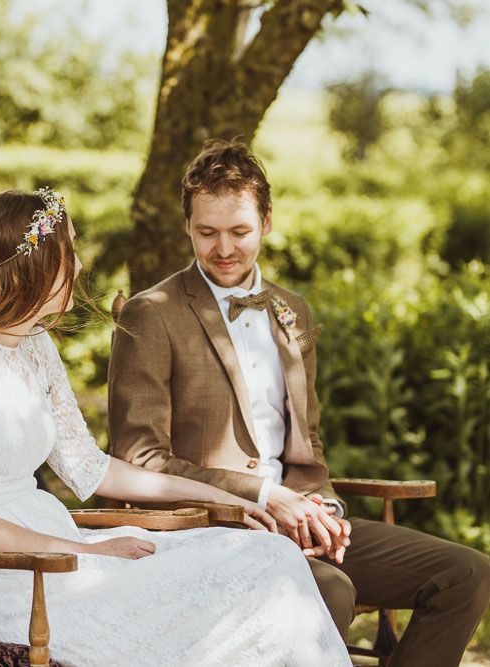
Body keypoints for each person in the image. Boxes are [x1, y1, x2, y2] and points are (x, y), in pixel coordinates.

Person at [0, 188, 351, 666]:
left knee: (267, 557)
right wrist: (86, 552)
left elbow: (91, 469)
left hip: (49, 547)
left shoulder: (33, 346)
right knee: (197, 600)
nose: (79, 267)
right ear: (40, 264)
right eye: (70, 251)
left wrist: (235, 497)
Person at [108, 140, 490, 667]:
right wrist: (265, 497)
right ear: (187, 228)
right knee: (328, 591)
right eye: (207, 232)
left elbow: (306, 442)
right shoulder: (153, 314)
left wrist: (324, 511)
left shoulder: (293, 309)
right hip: (211, 529)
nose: (223, 248)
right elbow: (138, 458)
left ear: (266, 222)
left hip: (298, 523)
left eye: (239, 231)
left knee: (466, 574)